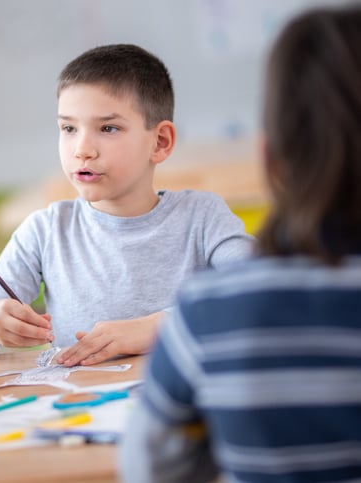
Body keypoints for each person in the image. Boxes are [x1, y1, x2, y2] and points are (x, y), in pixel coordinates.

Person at [121, 5, 361, 482]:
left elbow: (149, 469)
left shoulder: (209, 309)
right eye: (68, 128)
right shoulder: (47, 227)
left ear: (268, 155)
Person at [0, 44, 254, 364]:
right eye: (68, 128)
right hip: (84, 410)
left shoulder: (203, 217)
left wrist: (157, 327)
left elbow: (263, 291)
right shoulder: (44, 231)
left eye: (108, 128)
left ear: (160, 142)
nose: (82, 149)